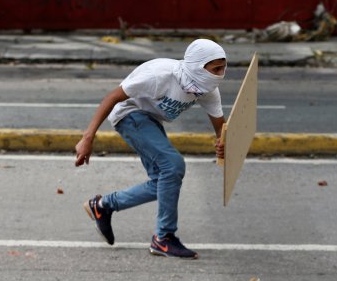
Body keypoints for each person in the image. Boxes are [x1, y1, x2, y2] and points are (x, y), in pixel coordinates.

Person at [75, 38, 227, 259]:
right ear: (197, 66)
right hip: (128, 113)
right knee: (173, 166)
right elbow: (112, 97)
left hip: (150, 120)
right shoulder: (160, 76)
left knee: (164, 182)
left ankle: (103, 205)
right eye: (216, 69)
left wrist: (223, 144)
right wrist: (88, 138)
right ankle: (163, 238)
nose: (221, 74)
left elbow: (220, 127)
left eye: (223, 67)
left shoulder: (206, 88)